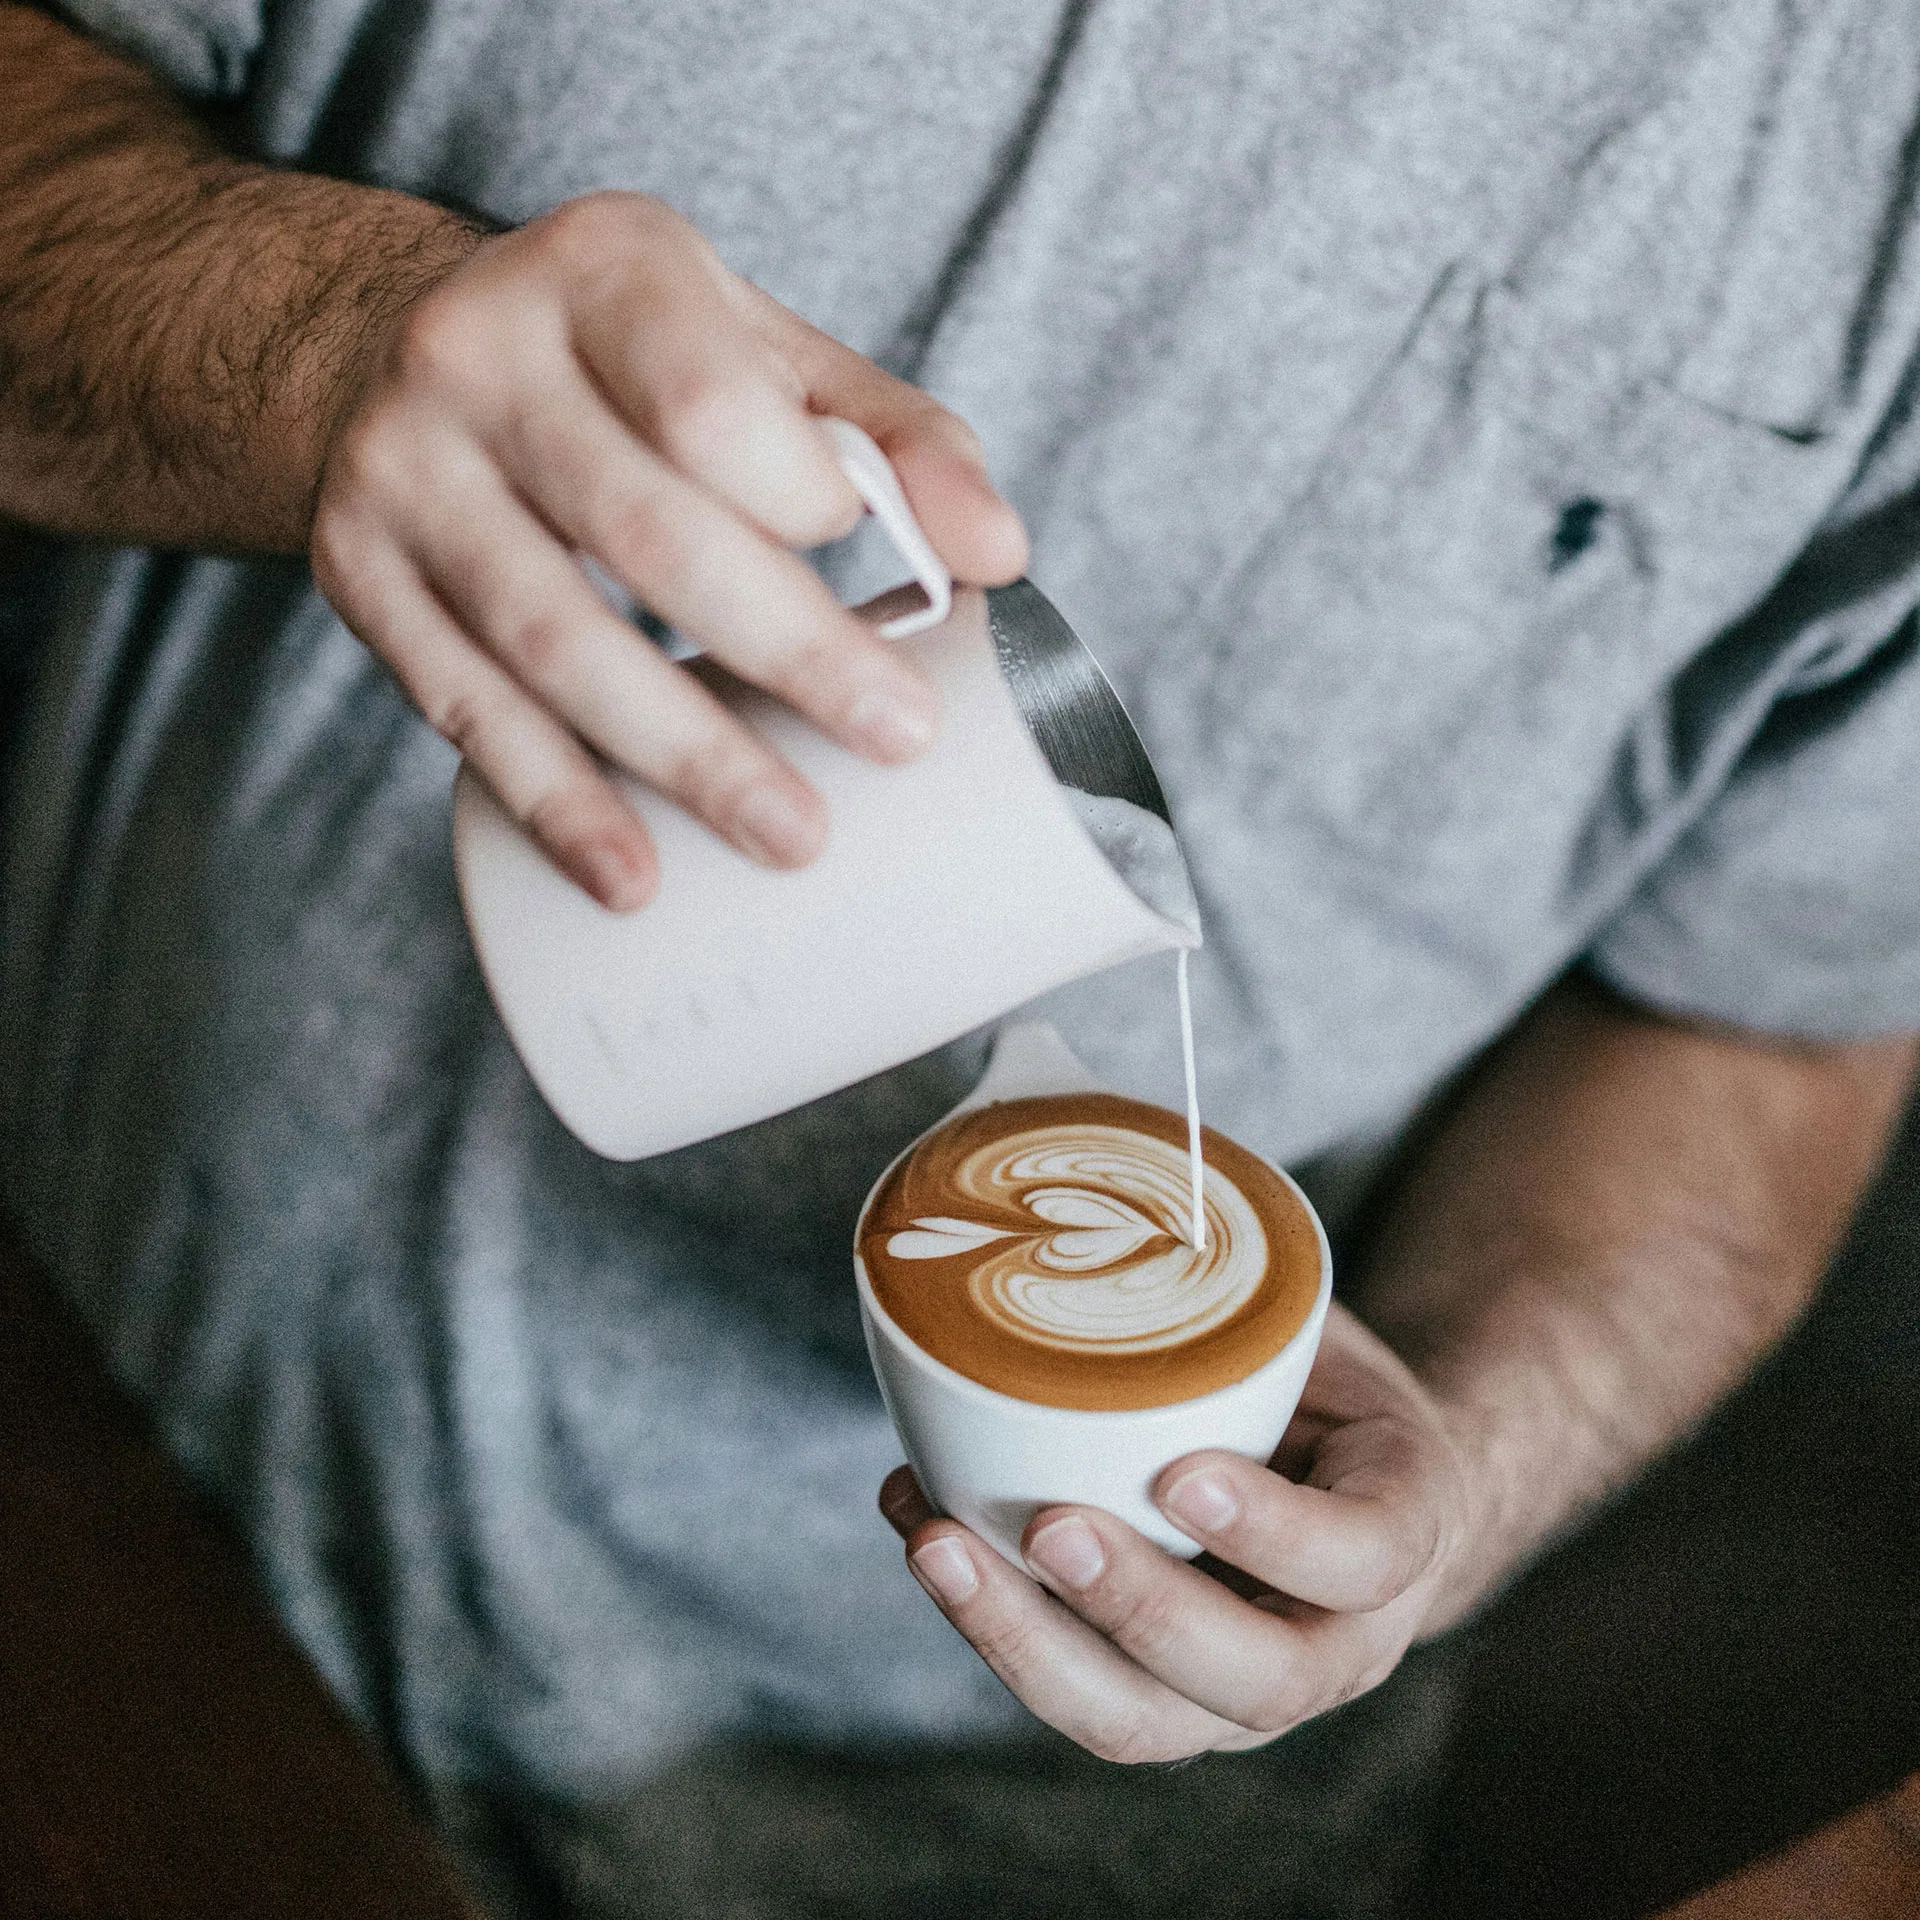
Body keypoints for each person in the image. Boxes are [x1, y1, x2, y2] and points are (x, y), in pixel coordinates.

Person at [2, 1, 1917, 1913]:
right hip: (108, 1514)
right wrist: (314, 338)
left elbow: (1777, 1016)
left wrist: (1456, 1483)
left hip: (1008, 1816)